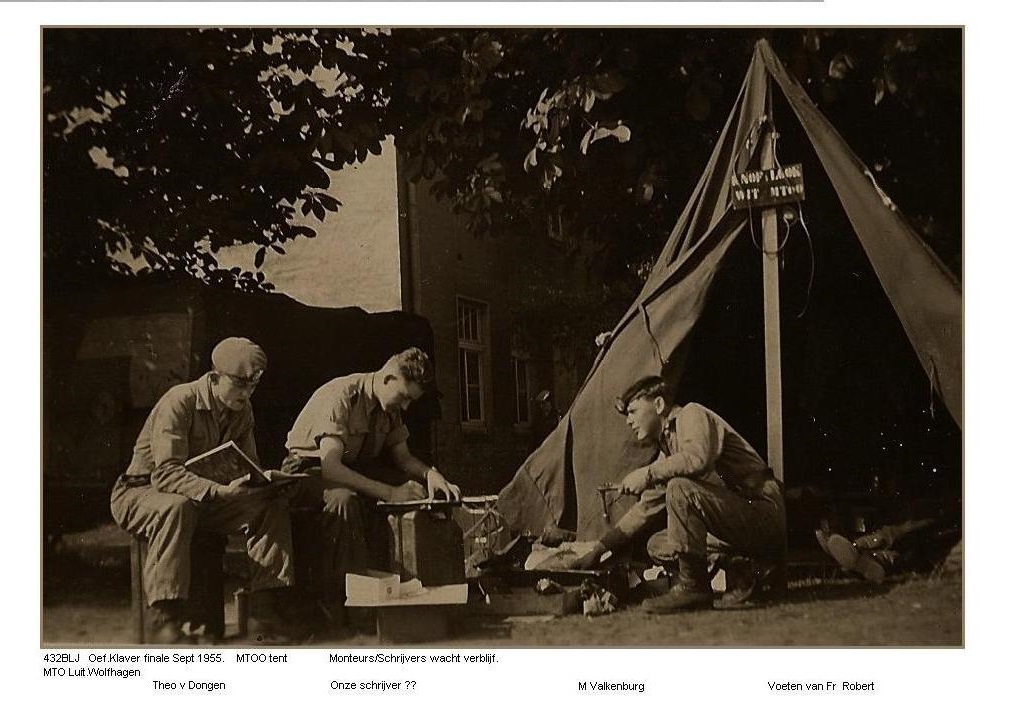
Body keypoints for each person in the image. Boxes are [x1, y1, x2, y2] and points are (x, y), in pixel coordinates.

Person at [110, 337, 296, 644]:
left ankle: (262, 615)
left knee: (269, 506)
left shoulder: (242, 410)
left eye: (253, 386)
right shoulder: (179, 401)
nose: (246, 393)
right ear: (214, 377)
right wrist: (219, 492)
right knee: (176, 507)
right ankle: (164, 619)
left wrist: (263, 483)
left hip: (204, 498)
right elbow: (165, 474)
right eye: (239, 384)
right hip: (140, 492)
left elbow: (246, 466)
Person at [570, 375, 786, 612]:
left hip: (762, 511)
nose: (629, 421)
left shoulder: (691, 414)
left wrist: (647, 474)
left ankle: (694, 588)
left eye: (633, 411)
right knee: (658, 544)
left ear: (659, 405)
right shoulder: (670, 449)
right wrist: (598, 550)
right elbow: (645, 509)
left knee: (679, 488)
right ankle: (746, 569)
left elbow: (697, 458)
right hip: (738, 523)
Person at [281, 348, 460, 626]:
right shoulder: (342, 396)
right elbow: (331, 468)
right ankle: (339, 606)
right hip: (305, 472)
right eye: (404, 397)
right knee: (344, 500)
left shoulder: (390, 406)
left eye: (411, 401)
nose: (405, 407)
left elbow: (403, 458)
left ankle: (408, 586)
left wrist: (431, 475)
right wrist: (390, 493)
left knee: (414, 489)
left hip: (350, 468)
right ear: (388, 378)